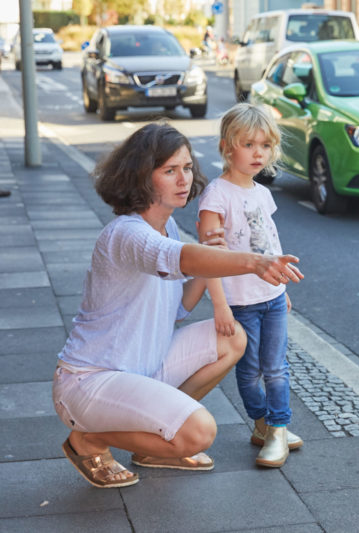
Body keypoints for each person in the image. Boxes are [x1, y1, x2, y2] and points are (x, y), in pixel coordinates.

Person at [52, 122, 303, 488]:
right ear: (141, 177)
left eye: (187, 167)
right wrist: (252, 261)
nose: (184, 178)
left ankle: (157, 443)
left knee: (233, 338)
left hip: (142, 369)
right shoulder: (126, 233)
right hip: (91, 381)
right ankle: (88, 440)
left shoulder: (167, 227)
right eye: (169, 170)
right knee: (199, 432)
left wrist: (214, 259)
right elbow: (179, 257)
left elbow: (180, 308)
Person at [197, 103, 300, 468]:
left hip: (271, 298)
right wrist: (220, 305)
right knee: (250, 368)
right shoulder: (216, 196)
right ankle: (262, 423)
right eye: (249, 144)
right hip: (240, 302)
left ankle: (278, 428)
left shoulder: (262, 193)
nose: (259, 153)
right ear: (227, 146)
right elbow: (208, 257)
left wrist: (282, 287)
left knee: (276, 367)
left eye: (266, 146)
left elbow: (268, 244)